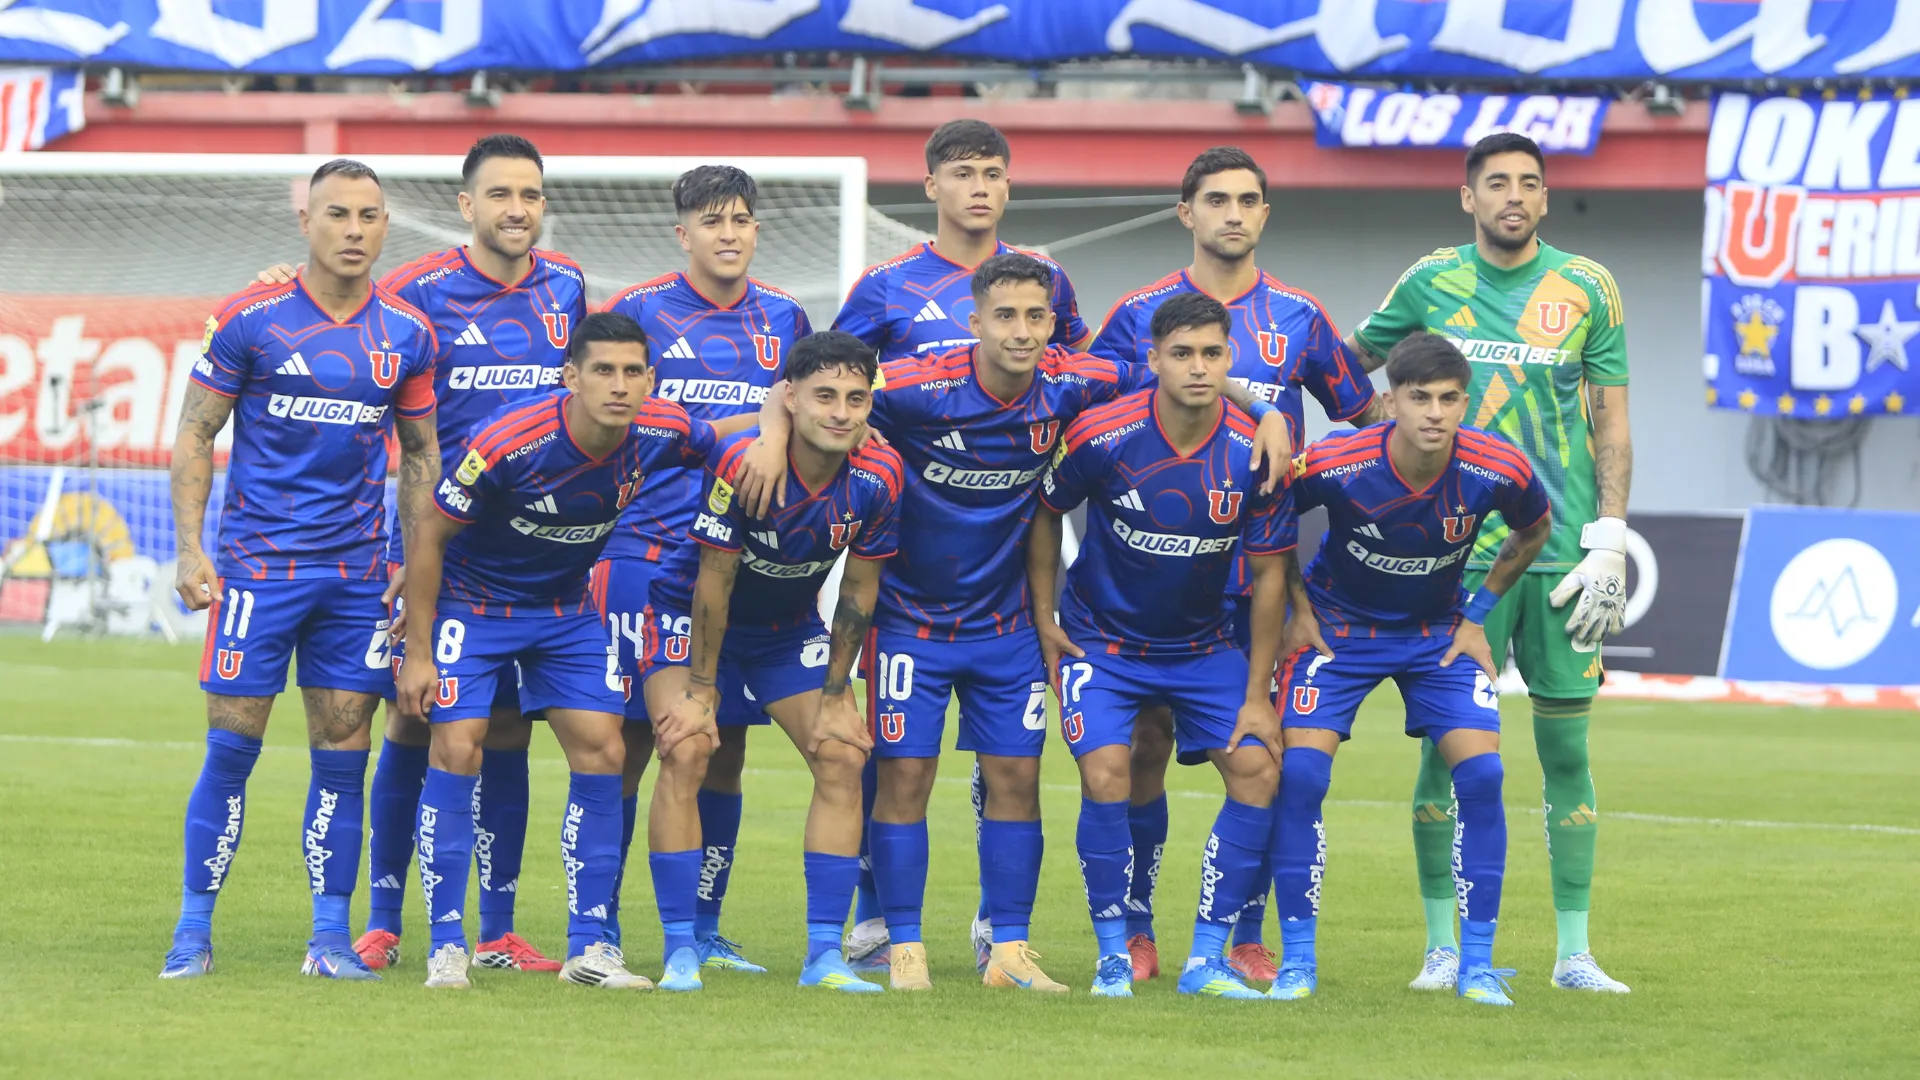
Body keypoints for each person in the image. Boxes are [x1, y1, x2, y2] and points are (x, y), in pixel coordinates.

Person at [739, 254, 1291, 991]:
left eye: (1036, 316)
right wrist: (771, 431)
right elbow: (813, 389)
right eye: (1005, 316)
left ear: (1053, 322)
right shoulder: (919, 383)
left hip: (1006, 628)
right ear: (974, 321)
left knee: (1016, 777)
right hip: (909, 621)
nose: (1022, 331)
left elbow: (1183, 372)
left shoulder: (1076, 379)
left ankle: (1010, 951)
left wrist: (1267, 411)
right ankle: (905, 948)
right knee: (905, 777)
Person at [255, 133, 584, 975]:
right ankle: (382, 920)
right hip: (439, 546)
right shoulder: (417, 290)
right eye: (500, 194)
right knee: (413, 712)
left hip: (528, 551)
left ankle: (498, 930)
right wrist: (280, 284)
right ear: (467, 206)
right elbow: (337, 306)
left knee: (506, 727)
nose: (517, 209)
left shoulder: (568, 287)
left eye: (531, 194)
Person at [1346, 132, 1634, 994]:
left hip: (1560, 556)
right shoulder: (1430, 280)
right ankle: (1442, 950)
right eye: (1497, 182)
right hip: (1454, 559)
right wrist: (1373, 445)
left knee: (1567, 754)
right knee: (1447, 753)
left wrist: (1610, 536)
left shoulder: (1588, 287)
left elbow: (1612, 421)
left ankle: (1575, 955)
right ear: (1467, 197)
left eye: (1529, 183)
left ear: (1545, 198)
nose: (1515, 195)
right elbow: (1346, 369)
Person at [1087, 145, 1382, 982]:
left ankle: (1243, 933)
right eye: (1217, 199)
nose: (1234, 214)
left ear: (1264, 214)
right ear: (1186, 212)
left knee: (1262, 752)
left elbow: (1365, 428)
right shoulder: (1136, 313)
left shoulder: (1300, 316)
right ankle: (1137, 927)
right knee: (1143, 748)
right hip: (1149, 583)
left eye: (1249, 200)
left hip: (1259, 580)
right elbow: (1099, 423)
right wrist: (1258, 403)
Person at [160, 158, 439, 982]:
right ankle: (191, 935)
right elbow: (195, 431)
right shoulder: (251, 317)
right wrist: (190, 547)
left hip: (355, 580)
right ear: (306, 222)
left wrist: (410, 559)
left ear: (386, 226)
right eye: (337, 214)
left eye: (369, 215)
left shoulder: (407, 334)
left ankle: (328, 942)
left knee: (343, 757)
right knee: (230, 752)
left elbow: (422, 455)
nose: (354, 229)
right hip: (257, 572)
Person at [833, 119, 1091, 965]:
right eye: (963, 173)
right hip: (908, 567)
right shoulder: (885, 287)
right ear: (931, 186)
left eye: (993, 173)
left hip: (1010, 567)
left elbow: (1092, 380)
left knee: (1009, 766)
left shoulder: (1045, 279)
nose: (980, 187)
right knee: (896, 762)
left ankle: (997, 932)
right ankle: (879, 921)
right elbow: (827, 384)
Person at [395, 312, 715, 991]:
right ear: (571, 376)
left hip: (566, 609)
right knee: (458, 747)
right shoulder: (511, 439)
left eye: (633, 372)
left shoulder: (663, 429)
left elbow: (724, 441)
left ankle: (589, 948)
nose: (619, 385)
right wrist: (419, 653)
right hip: (473, 604)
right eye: (603, 370)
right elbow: (429, 536)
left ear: (651, 380)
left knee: (605, 750)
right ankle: (447, 946)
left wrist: (776, 425)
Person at [1027, 291, 1299, 1000]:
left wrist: (1257, 695)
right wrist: (1045, 614)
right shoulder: (1102, 433)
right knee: (1109, 773)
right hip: (1102, 644)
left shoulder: (1256, 449)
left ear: (1230, 358)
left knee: (1258, 771)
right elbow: (1046, 510)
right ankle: (1118, 950)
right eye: (1182, 354)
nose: (1198, 367)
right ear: (1153, 360)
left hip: (1203, 646)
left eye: (1211, 353)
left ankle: (1206, 958)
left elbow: (1270, 575)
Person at [1270, 334, 1552, 1007]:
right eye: (1419, 398)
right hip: (1338, 630)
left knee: (1483, 776)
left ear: (1465, 403)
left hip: (1437, 634)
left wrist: (1478, 614)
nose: (1434, 413)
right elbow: (1269, 516)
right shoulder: (1338, 460)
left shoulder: (1498, 466)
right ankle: (1297, 963)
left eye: (1448, 399)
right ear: (1390, 400)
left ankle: (1477, 965)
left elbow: (1535, 528)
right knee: (1301, 776)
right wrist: (1298, 610)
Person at [596, 164, 812, 973]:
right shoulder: (640, 310)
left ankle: (704, 926)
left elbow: (806, 407)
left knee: (723, 749)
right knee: (630, 743)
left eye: (741, 219)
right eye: (713, 221)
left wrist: (778, 427)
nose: (729, 234)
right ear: (682, 233)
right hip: (641, 552)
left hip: (739, 561)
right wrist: (752, 420)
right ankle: (599, 923)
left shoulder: (785, 316)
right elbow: (611, 416)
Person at [641, 331, 901, 994]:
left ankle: (823, 957)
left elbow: (860, 590)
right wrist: (702, 690)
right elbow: (713, 580)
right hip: (691, 617)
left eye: (855, 399)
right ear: (791, 398)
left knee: (843, 753)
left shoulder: (880, 475)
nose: (840, 412)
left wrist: (838, 693)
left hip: (785, 630)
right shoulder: (745, 461)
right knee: (689, 748)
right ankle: (681, 950)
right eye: (824, 396)